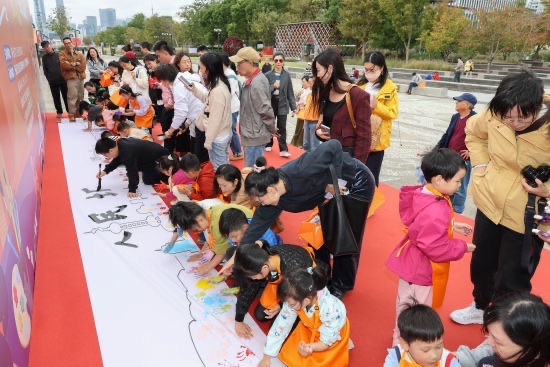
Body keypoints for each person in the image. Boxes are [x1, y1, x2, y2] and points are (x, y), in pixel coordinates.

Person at [450, 71, 550, 325]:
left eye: (521, 117)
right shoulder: (497, 111)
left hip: (527, 213)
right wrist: (481, 164)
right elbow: (473, 133)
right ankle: (480, 305)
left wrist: (546, 189)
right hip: (490, 201)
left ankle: (504, 326)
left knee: (513, 276)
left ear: (536, 107)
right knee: (481, 263)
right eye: (508, 117)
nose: (513, 122)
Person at [238, 139, 375, 299]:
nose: (261, 204)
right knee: (323, 232)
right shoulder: (274, 199)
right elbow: (255, 227)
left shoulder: (301, 169)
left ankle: (341, 284)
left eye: (261, 201)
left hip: (355, 181)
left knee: (345, 235)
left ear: (270, 190)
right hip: (330, 194)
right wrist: (239, 254)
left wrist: (334, 182)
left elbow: (334, 146)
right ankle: (323, 276)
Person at [386, 147, 476, 345]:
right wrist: (461, 247)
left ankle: (399, 341)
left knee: (404, 304)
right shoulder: (437, 209)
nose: (460, 186)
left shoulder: (424, 194)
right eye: (458, 181)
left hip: (409, 262)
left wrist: (452, 225)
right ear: (438, 180)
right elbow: (434, 246)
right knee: (419, 311)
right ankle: (407, 345)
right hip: (422, 270)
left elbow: (423, 225)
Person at [258, 264, 350, 367]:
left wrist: (311, 347)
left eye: (291, 304)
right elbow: (281, 326)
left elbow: (325, 343)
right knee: (291, 357)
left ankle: (343, 341)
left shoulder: (331, 310)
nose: (288, 306)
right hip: (310, 327)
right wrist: (267, 356)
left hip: (328, 334)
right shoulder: (295, 297)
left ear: (306, 300)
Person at [231, 242, 316, 339]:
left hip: (301, 286)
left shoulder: (294, 269)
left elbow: (296, 296)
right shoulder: (261, 262)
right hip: (280, 283)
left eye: (253, 277)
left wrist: (280, 305)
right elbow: (247, 290)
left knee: (277, 330)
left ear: (264, 269)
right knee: (260, 315)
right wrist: (238, 320)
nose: (253, 279)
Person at [455, 291, 550, 367]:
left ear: (532, 349)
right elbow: (473, 357)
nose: (489, 342)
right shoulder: (495, 350)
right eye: (489, 333)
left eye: (498, 342)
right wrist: (449, 357)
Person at [312, 48, 372, 165]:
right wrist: (319, 132)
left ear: (330, 68)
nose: (318, 75)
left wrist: (356, 168)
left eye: (318, 70)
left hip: (346, 160)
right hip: (327, 157)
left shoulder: (358, 95)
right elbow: (324, 123)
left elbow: (364, 137)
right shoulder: (326, 92)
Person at [168, 201, 252, 275]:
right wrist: (204, 250)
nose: (196, 231)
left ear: (200, 220)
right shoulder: (209, 212)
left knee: (231, 254)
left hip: (249, 234)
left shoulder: (216, 225)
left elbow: (222, 252)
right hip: (242, 228)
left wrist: (207, 267)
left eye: (195, 229)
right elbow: (213, 238)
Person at [357, 51, 399, 186]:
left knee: (371, 176)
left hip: (376, 140)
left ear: (381, 68)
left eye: (372, 70)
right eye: (366, 69)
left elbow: (392, 113)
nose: (368, 73)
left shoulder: (390, 88)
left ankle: (370, 202)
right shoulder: (360, 86)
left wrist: (377, 106)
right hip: (358, 136)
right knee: (356, 172)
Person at [229, 47, 276, 168]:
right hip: (252, 133)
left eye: (239, 63)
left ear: (250, 63)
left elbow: (265, 109)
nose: (237, 66)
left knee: (252, 174)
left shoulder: (257, 82)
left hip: (255, 135)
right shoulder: (252, 80)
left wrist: (272, 129)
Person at [155, 64, 208, 160]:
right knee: (196, 149)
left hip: (202, 120)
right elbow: (193, 104)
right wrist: (186, 124)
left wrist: (170, 131)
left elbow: (181, 112)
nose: (162, 83)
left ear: (166, 79)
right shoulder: (183, 79)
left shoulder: (179, 86)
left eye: (162, 80)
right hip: (199, 116)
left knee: (201, 153)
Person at [436, 93, 478, 214]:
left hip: (463, 160)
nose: (456, 102)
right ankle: (446, 209)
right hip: (449, 157)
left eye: (459, 101)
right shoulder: (455, 117)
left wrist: (472, 151)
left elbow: (484, 139)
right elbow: (447, 135)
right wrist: (435, 150)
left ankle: (457, 212)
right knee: (446, 183)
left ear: (468, 105)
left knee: (460, 187)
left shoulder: (475, 119)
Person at [190, 52, 232, 170]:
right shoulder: (219, 83)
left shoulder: (218, 90)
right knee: (223, 164)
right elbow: (209, 100)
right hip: (220, 134)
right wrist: (194, 90)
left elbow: (215, 120)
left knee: (220, 169)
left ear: (209, 69)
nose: (200, 71)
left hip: (217, 137)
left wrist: (208, 141)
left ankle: (224, 187)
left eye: (201, 67)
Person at [384, 303, 461, 367]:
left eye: (438, 346)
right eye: (426, 350)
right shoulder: (397, 356)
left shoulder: (448, 361)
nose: (434, 355)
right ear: (405, 344)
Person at [95, 136, 169, 197]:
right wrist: (105, 171)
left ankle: (166, 176)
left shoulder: (127, 152)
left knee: (152, 180)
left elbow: (132, 171)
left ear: (110, 150)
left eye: (105, 155)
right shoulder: (118, 144)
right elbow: (117, 159)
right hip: (147, 158)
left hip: (161, 159)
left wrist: (132, 189)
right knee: (147, 180)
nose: (105, 157)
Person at [265, 52, 297, 157]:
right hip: (271, 102)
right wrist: (273, 86)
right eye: (276, 60)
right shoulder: (268, 75)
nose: (278, 62)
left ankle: (283, 149)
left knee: (282, 126)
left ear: (283, 62)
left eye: (280, 60)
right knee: (270, 124)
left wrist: (294, 107)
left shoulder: (286, 75)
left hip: (283, 103)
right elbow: (264, 90)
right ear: (273, 62)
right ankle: (268, 143)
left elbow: (290, 92)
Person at [220, 53, 243, 161]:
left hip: (231, 107)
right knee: (230, 129)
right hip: (229, 107)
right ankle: (236, 151)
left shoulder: (230, 75)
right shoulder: (226, 73)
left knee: (231, 129)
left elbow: (230, 93)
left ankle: (238, 152)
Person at [58, 37, 86, 118]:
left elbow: (83, 66)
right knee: (72, 97)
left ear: (72, 42)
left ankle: (80, 113)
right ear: (64, 44)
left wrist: (72, 64)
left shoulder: (79, 54)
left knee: (80, 97)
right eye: (66, 43)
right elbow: (64, 65)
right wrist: (75, 63)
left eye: (69, 42)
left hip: (80, 77)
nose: (68, 45)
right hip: (71, 78)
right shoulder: (62, 54)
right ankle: (72, 115)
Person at [40, 40, 68, 119]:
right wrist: (49, 79)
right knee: (56, 97)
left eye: (47, 46)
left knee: (66, 97)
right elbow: (45, 70)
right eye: (44, 47)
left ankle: (69, 111)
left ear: (50, 45)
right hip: (53, 81)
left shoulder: (59, 54)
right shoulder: (44, 58)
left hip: (63, 80)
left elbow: (65, 65)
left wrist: (65, 76)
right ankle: (59, 112)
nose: (46, 48)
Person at [290, 75, 312, 149]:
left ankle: (298, 145)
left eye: (303, 82)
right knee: (298, 131)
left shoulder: (309, 92)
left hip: (304, 114)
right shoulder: (303, 91)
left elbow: (306, 103)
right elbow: (298, 100)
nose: (302, 83)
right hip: (301, 113)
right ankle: (296, 144)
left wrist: (300, 104)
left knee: (301, 131)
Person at [302, 76, 321, 153]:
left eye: (310, 83)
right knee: (306, 144)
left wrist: (319, 122)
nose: (309, 85)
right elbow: (307, 108)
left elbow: (322, 110)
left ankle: (314, 162)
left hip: (314, 121)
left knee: (314, 145)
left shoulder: (320, 95)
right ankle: (306, 159)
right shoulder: (310, 94)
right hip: (307, 121)